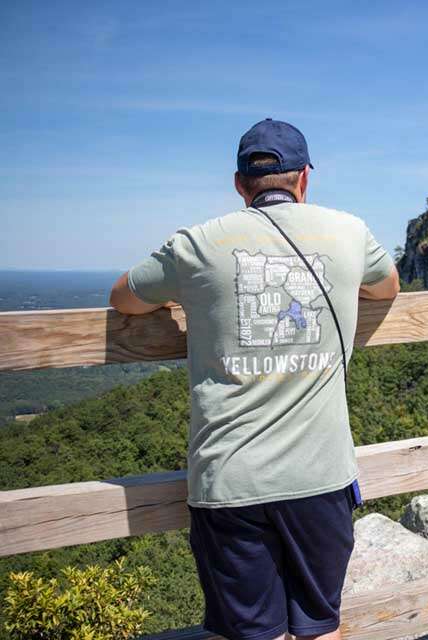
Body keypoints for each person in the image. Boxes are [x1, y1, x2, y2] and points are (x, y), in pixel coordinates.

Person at [109, 118, 401, 640]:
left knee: (246, 634)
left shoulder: (198, 242)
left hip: (230, 480)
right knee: (319, 628)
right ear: (305, 178)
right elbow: (387, 288)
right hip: (322, 476)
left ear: (241, 185)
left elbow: (124, 298)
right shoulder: (350, 232)